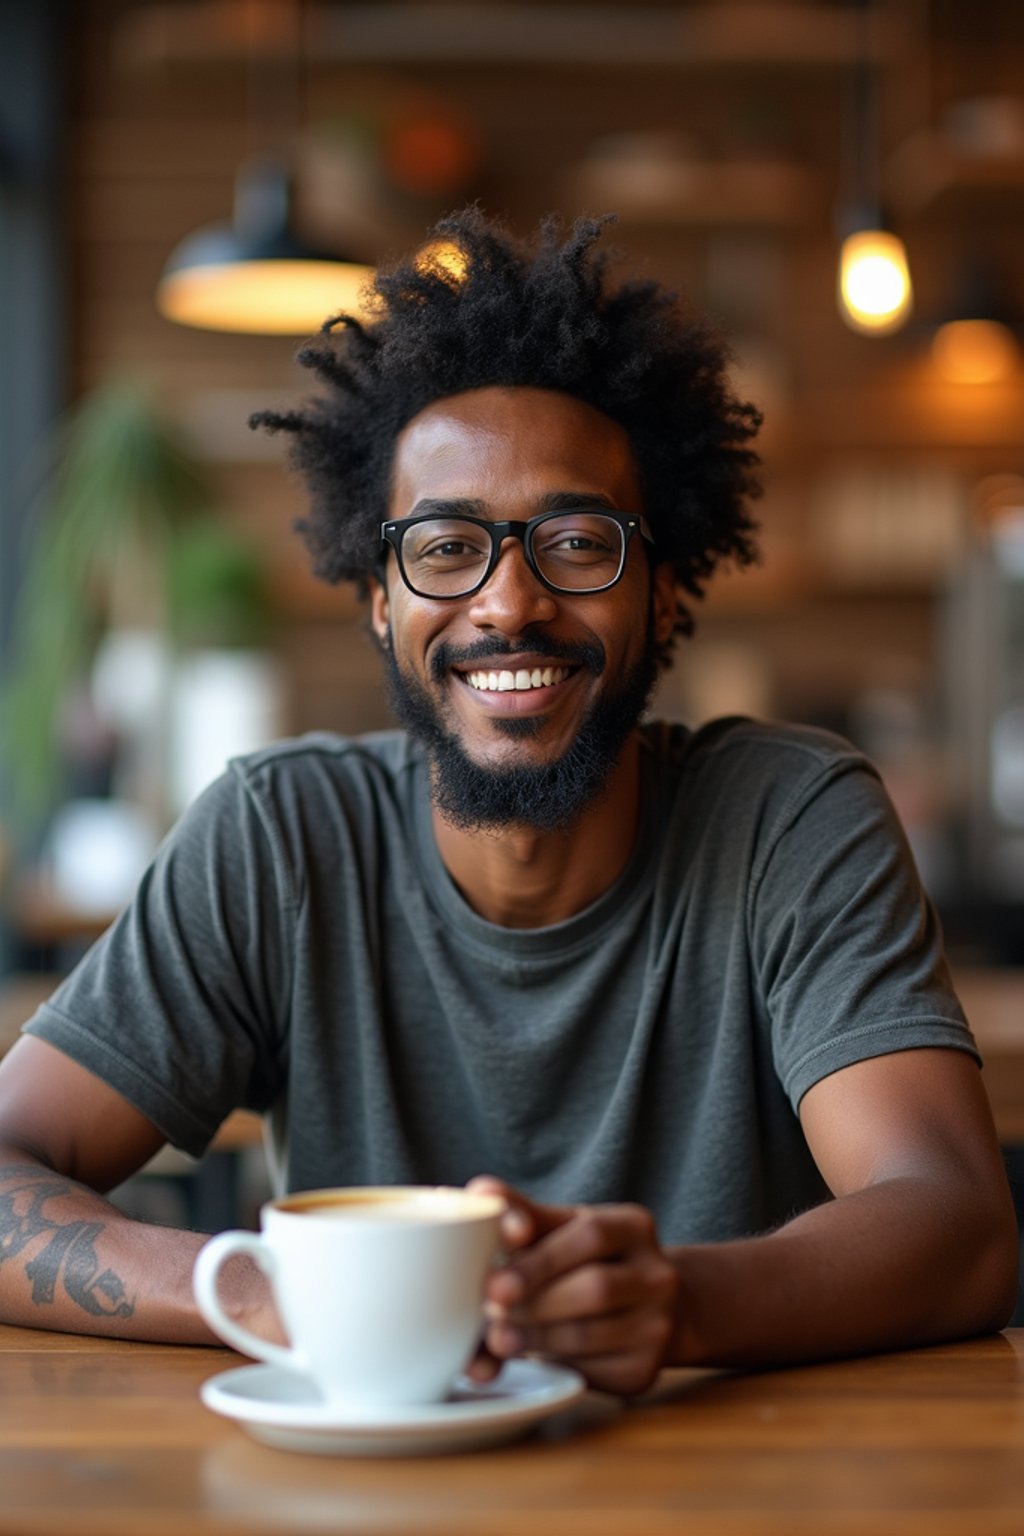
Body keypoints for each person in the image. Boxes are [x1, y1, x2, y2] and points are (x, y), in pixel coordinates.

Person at [0, 209, 1016, 1395]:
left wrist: (676, 1303)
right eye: (444, 548)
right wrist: (274, 1298)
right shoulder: (280, 837)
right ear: (381, 598)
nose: (509, 603)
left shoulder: (790, 820)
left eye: (576, 541)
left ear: (663, 587)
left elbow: (957, 1223)